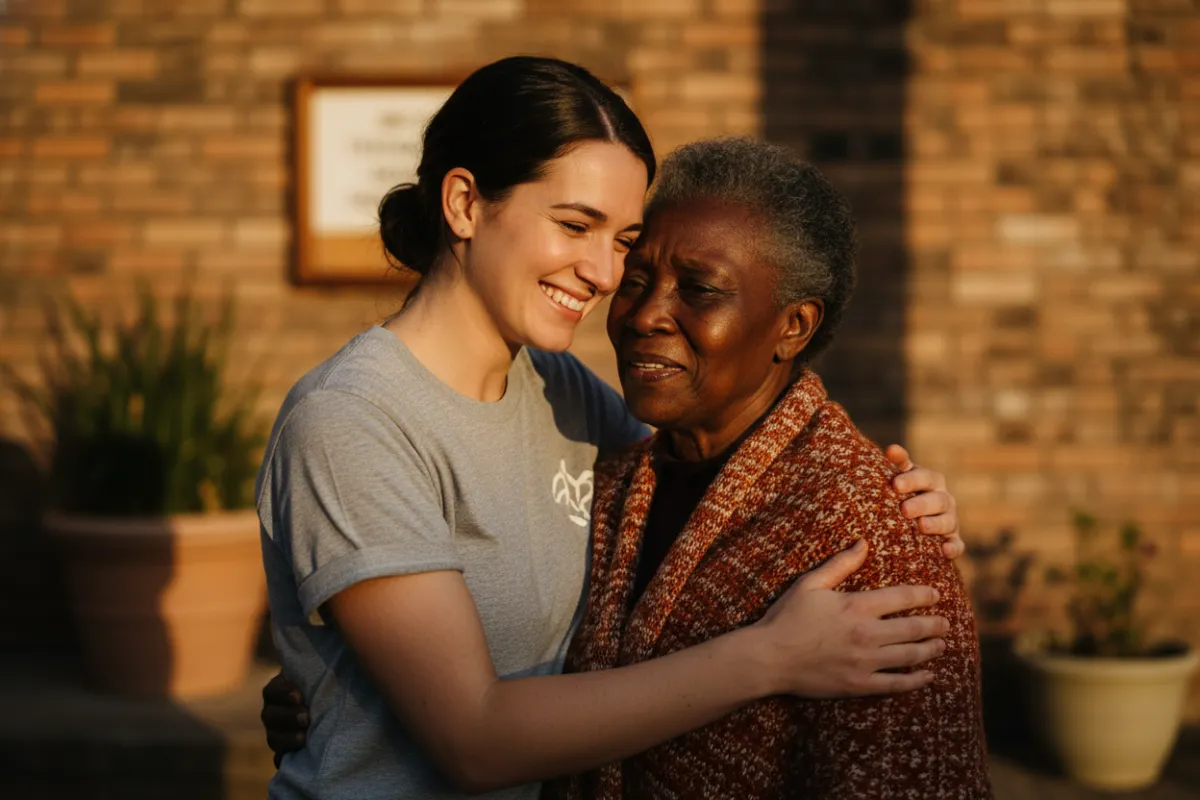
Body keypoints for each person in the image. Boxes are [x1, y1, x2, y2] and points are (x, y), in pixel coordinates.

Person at [258, 56, 965, 800]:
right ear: (464, 203)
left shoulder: (560, 394)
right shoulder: (352, 421)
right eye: (574, 225)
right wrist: (772, 656)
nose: (602, 273)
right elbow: (474, 740)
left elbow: (724, 448)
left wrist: (894, 505)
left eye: (622, 240)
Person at [546, 137, 990, 798]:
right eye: (635, 281)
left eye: (698, 290)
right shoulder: (613, 477)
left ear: (794, 326)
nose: (643, 315)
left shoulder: (870, 541)